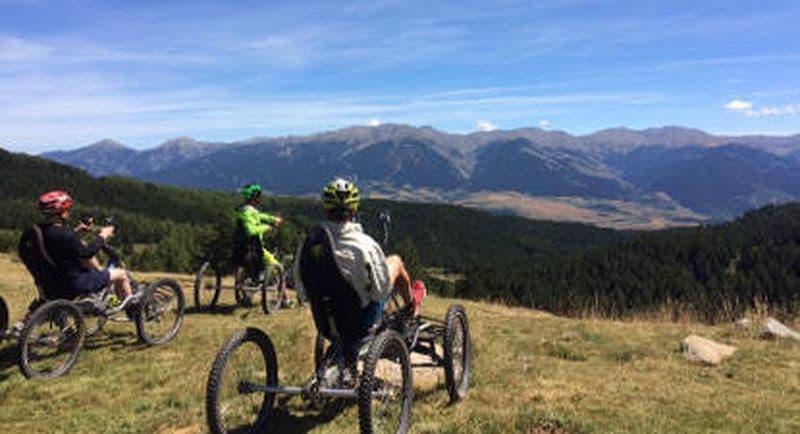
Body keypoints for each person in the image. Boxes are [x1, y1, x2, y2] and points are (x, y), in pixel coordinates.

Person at [293, 178, 426, 331]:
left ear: (325, 208)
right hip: (361, 322)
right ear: (354, 209)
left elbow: (300, 287)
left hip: (325, 324)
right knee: (395, 261)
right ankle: (411, 307)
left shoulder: (309, 243)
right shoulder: (365, 245)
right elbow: (380, 292)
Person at [36, 190, 132, 304]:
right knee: (121, 274)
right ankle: (133, 308)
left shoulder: (38, 232)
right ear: (60, 212)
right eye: (67, 210)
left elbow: (61, 242)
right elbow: (87, 253)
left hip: (48, 285)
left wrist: (76, 232)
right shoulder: (64, 234)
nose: (68, 213)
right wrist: (103, 235)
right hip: (74, 284)